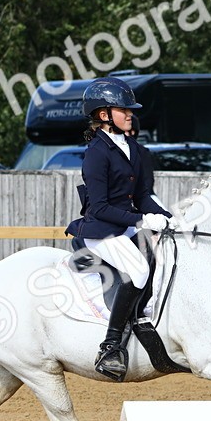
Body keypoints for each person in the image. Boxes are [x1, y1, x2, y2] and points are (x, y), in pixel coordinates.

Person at [66, 77, 175, 381]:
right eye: (123, 110)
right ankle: (111, 346)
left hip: (123, 226)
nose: (130, 114)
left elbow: (141, 196)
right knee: (138, 271)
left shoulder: (131, 147)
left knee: (166, 253)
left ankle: (144, 320)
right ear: (104, 115)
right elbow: (99, 208)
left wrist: (166, 217)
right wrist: (142, 221)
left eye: (130, 110)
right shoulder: (96, 153)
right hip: (101, 230)